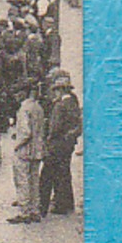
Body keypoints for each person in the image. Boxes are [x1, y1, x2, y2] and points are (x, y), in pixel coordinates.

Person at [39, 72, 81, 215]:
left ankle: (47, 204)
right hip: (68, 144)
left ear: (61, 90)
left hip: (57, 145)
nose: (54, 92)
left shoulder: (60, 106)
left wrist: (48, 141)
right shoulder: (73, 102)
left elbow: (54, 127)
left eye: (56, 89)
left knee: (49, 174)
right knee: (64, 173)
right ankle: (65, 203)